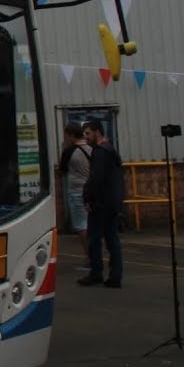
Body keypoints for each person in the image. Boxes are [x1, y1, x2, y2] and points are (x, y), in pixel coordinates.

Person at [79, 119, 125, 288]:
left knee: (94, 239)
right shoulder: (111, 150)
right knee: (112, 239)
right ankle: (115, 275)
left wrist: (87, 197)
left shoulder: (99, 152)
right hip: (113, 201)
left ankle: (96, 272)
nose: (86, 137)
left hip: (101, 202)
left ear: (97, 132)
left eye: (88, 133)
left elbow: (96, 178)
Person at [56, 122, 93, 264]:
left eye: (66, 135)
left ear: (71, 135)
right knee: (90, 224)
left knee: (81, 226)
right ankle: (93, 255)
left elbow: (61, 171)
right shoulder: (90, 149)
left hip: (77, 191)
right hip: (91, 191)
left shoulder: (69, 151)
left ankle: (90, 257)